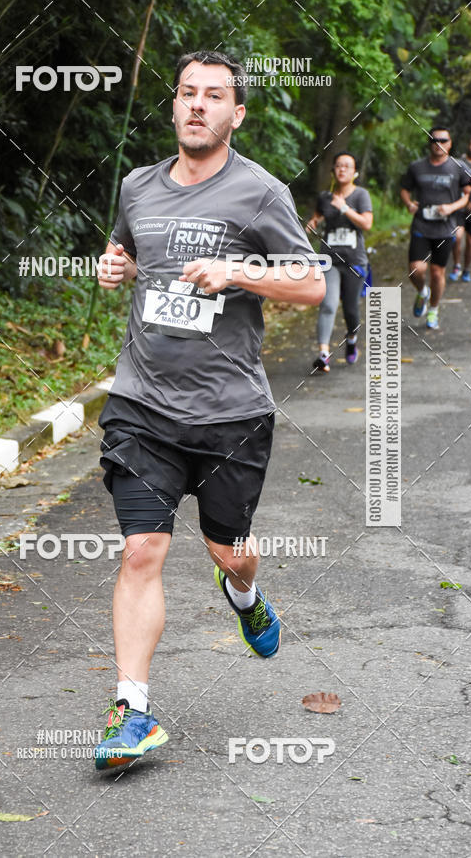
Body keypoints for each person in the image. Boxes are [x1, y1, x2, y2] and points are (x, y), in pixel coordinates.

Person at [92, 49, 325, 770]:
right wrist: (116, 265)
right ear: (174, 105)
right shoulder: (137, 185)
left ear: (237, 113)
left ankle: (245, 592)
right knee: (141, 549)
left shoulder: (260, 193)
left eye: (214, 95)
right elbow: (131, 252)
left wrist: (238, 269)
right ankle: (132, 710)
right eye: (187, 92)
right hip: (142, 403)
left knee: (229, 550)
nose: (197, 104)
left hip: (230, 413)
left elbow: (312, 283)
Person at [305, 153, 373, 372]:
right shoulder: (325, 197)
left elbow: (367, 224)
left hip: (354, 261)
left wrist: (344, 208)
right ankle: (323, 354)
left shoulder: (361, 195)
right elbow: (317, 219)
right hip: (330, 260)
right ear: (333, 171)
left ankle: (351, 338)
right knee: (328, 304)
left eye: (347, 166)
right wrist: (312, 225)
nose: (342, 169)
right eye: (338, 166)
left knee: (351, 309)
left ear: (355, 172)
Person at [400, 127, 471, 329]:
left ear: (450, 143)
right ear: (429, 143)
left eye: (443, 140)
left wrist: (452, 207)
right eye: (434, 140)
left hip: (445, 228)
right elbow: (404, 189)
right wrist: (409, 204)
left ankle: (433, 309)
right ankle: (423, 292)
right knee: (416, 269)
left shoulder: (458, 167)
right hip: (421, 225)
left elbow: (467, 194)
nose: (438, 143)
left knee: (437, 272)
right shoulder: (416, 167)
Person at [449, 136, 471, 282]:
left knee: (470, 243)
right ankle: (456, 265)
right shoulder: (459, 163)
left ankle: (466, 269)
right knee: (457, 237)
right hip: (459, 206)